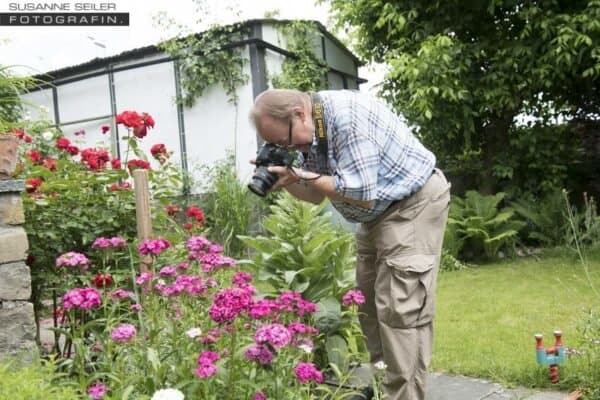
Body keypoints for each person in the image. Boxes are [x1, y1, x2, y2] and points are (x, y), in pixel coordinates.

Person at [249, 88, 451, 400]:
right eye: (280, 145)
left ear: (299, 114)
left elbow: (360, 193)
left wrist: (302, 173)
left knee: (400, 309)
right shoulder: (309, 130)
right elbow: (316, 194)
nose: (289, 148)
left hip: (413, 203)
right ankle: (388, 390)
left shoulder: (346, 121)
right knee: (368, 305)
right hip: (376, 215)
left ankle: (406, 396)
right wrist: (287, 181)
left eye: (286, 141)